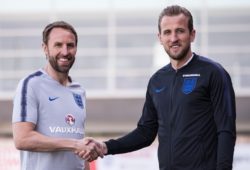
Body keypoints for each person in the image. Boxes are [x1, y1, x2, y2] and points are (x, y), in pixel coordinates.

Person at [83, 5, 237, 170]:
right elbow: (145, 133)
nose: (173, 38)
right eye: (167, 32)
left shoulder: (213, 73)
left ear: (192, 35)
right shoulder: (157, 80)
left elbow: (226, 130)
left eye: (180, 31)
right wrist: (106, 147)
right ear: (160, 37)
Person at [12, 21, 102, 170]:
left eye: (70, 45)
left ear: (76, 49)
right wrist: (74, 144)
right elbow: (22, 139)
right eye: (58, 45)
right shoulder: (31, 84)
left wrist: (83, 149)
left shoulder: (79, 90)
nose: (65, 52)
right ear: (45, 48)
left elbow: (79, 146)